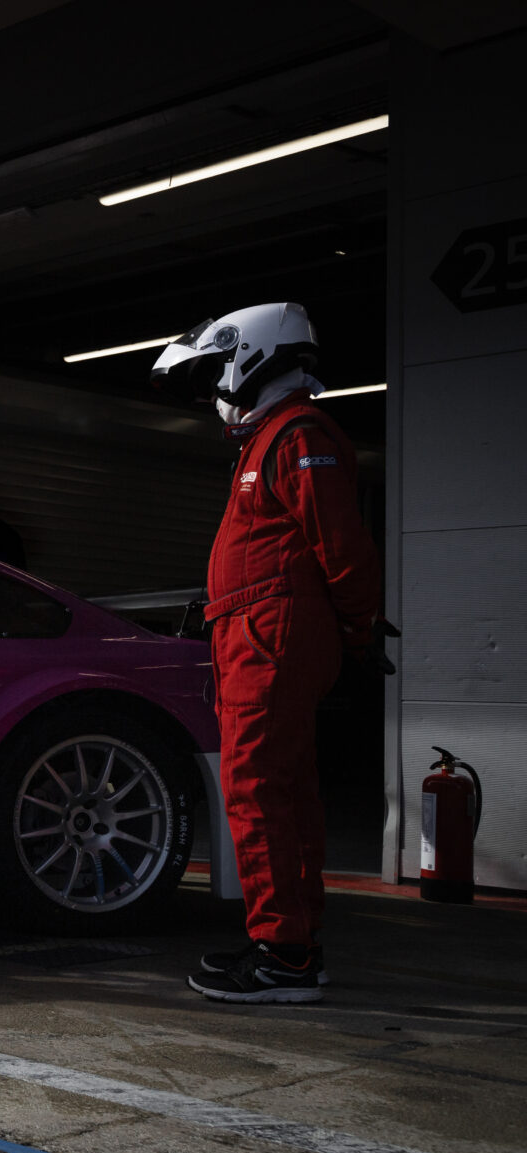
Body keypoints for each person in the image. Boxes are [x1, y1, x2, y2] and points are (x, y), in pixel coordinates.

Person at [150, 302, 381, 1005]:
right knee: (283, 794)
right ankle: (290, 944)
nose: (214, 391)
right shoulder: (270, 440)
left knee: (257, 792)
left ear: (249, 358)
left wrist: (359, 629)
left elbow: (342, 547)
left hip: (269, 638)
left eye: (217, 372)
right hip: (256, 636)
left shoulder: (297, 434)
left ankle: (283, 956)